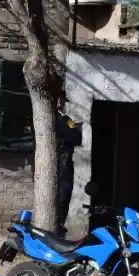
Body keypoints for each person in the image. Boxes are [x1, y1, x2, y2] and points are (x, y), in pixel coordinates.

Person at [54, 93, 82, 236]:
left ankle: (59, 224)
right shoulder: (55, 119)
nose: (64, 103)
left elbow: (76, 137)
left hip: (63, 160)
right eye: (62, 100)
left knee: (64, 194)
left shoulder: (66, 119)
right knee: (62, 193)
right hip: (59, 161)